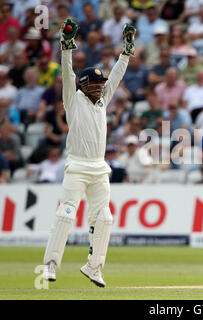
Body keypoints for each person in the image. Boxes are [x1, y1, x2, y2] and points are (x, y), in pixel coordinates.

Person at [42, 18, 136, 288]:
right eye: (94, 85)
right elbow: (67, 71)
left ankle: (94, 267)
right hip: (77, 166)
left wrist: (126, 51)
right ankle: (50, 265)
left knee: (104, 218)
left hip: (99, 168)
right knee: (66, 214)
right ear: (83, 86)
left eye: (100, 85)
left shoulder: (102, 101)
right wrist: (67, 46)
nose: (99, 89)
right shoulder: (73, 98)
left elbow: (116, 76)